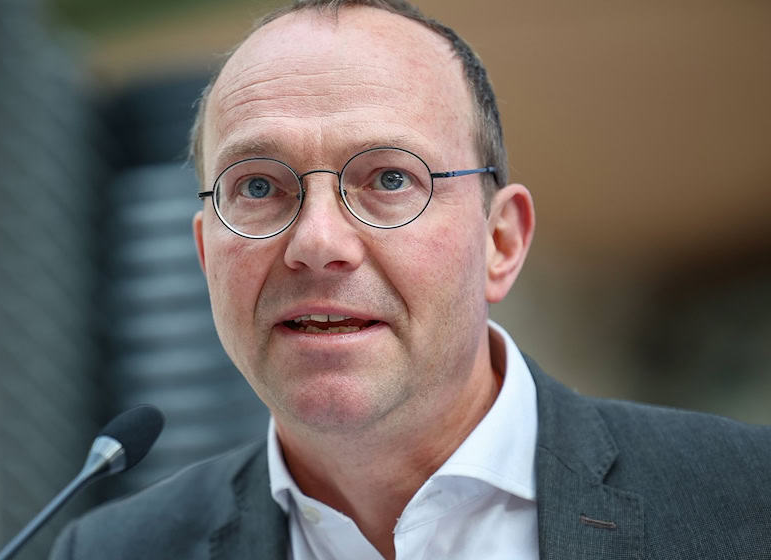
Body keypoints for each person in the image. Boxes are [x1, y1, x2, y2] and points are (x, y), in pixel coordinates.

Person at [51, 1, 771, 558]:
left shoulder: (745, 500)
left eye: (390, 178)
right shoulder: (113, 550)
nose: (317, 243)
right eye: (260, 188)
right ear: (208, 258)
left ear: (500, 242)